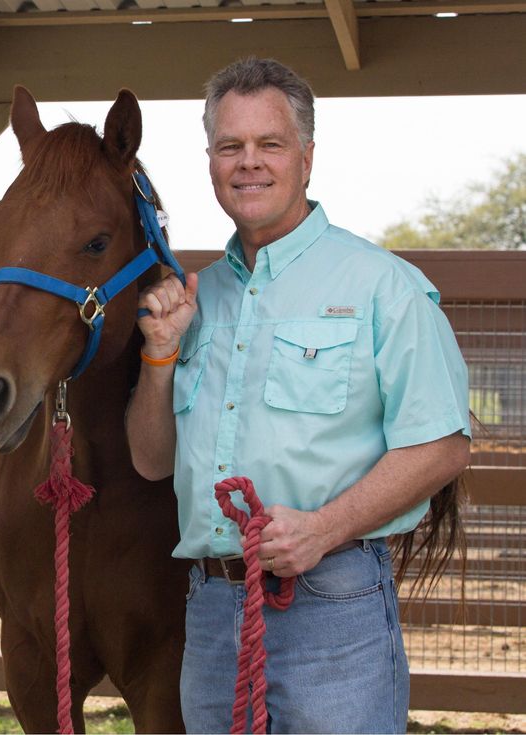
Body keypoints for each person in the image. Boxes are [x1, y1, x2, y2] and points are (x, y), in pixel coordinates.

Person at [126, 57, 471, 734]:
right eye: (230, 146)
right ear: (210, 161)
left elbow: (444, 444)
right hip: (212, 608)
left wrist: (324, 527)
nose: (248, 163)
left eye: (269, 144)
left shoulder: (382, 286)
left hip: (333, 606)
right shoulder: (196, 299)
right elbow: (150, 459)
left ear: (306, 158)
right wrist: (161, 357)